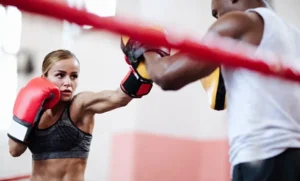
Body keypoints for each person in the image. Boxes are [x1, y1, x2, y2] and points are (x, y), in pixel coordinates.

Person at [121, 0, 300, 180]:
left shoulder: (241, 23)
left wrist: (146, 48)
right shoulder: (293, 35)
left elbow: (166, 75)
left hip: (263, 159)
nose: (218, 19)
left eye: (216, 14)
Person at [7, 48, 169, 181]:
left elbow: (118, 97)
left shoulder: (80, 105)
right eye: (60, 75)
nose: (68, 82)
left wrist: (146, 65)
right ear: (44, 78)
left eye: (74, 76)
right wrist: (25, 110)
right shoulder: (35, 110)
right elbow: (15, 150)